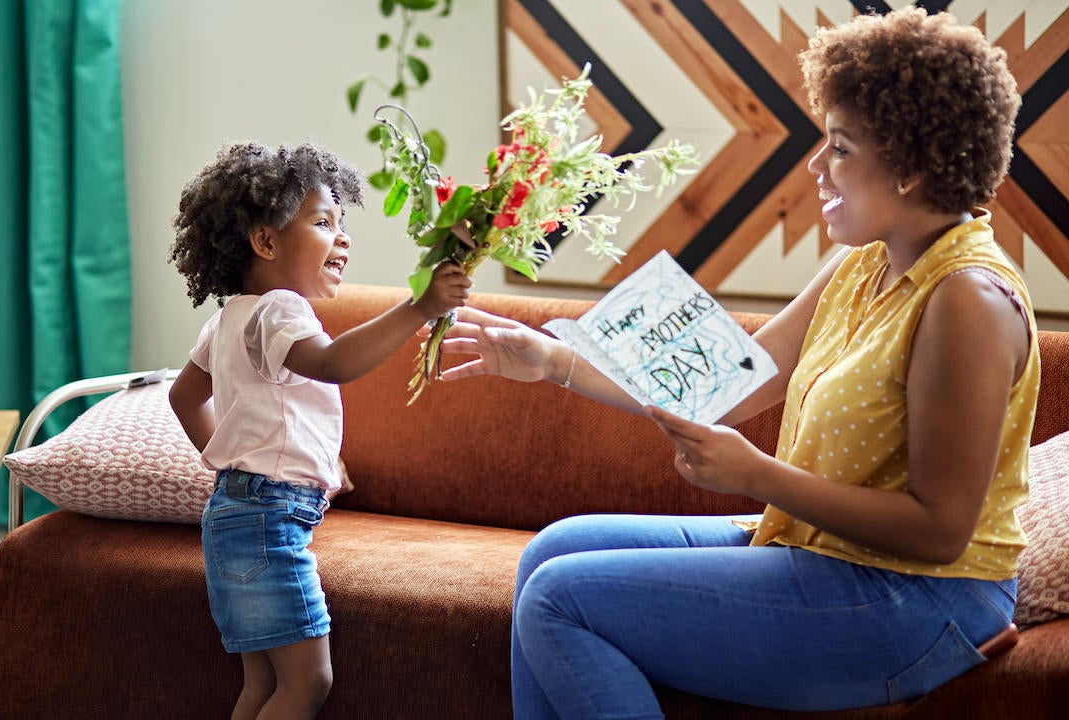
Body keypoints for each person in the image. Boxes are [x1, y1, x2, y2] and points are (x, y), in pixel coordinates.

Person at [432, 7, 1036, 718]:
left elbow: (939, 529)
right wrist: (553, 362)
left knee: (561, 601)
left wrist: (757, 475)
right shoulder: (866, 260)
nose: (816, 166)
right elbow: (734, 382)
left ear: (911, 167)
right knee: (551, 552)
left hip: (922, 598)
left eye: (839, 147)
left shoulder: (966, 300)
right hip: (825, 550)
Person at [167, 141, 470, 720]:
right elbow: (331, 364)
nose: (344, 237)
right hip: (270, 520)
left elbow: (184, 398)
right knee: (307, 684)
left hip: (236, 513)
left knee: (262, 685)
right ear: (266, 241)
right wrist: (418, 307)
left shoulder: (228, 317)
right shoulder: (282, 308)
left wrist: (238, 462)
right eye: (324, 221)